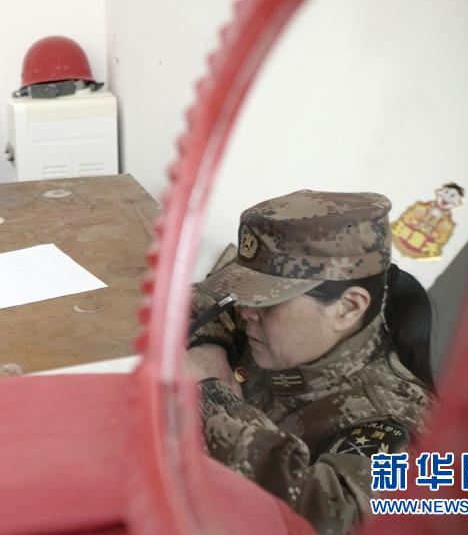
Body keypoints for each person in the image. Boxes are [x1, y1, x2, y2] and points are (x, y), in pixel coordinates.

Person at [185, 190, 434, 535]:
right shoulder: (283, 325)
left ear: (348, 308)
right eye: (246, 294)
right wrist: (209, 348)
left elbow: (330, 517)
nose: (246, 311)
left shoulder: (392, 420)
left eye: (266, 301)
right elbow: (198, 297)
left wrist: (213, 397)